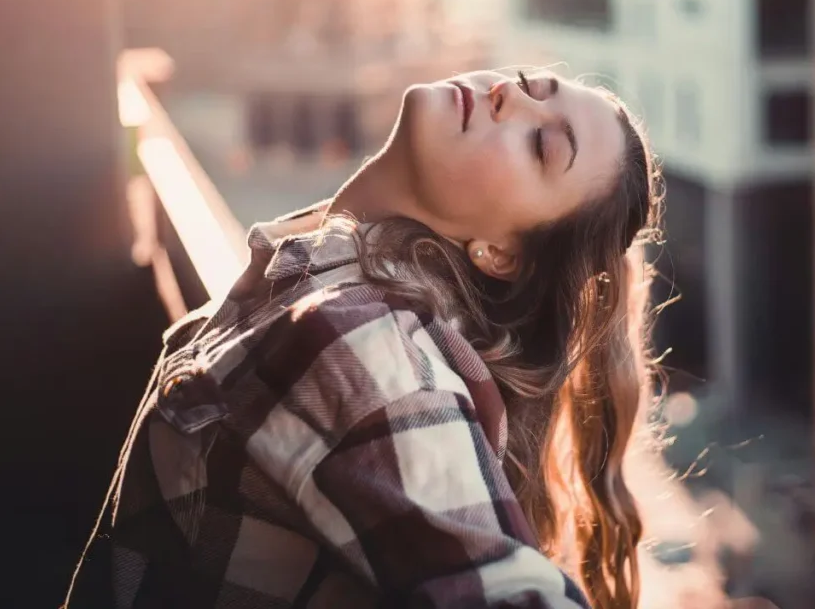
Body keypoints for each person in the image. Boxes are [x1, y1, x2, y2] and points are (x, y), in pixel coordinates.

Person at [65, 68, 662, 608]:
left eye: (543, 145)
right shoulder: (315, 286)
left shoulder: (363, 341)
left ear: (501, 254)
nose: (508, 95)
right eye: (530, 85)